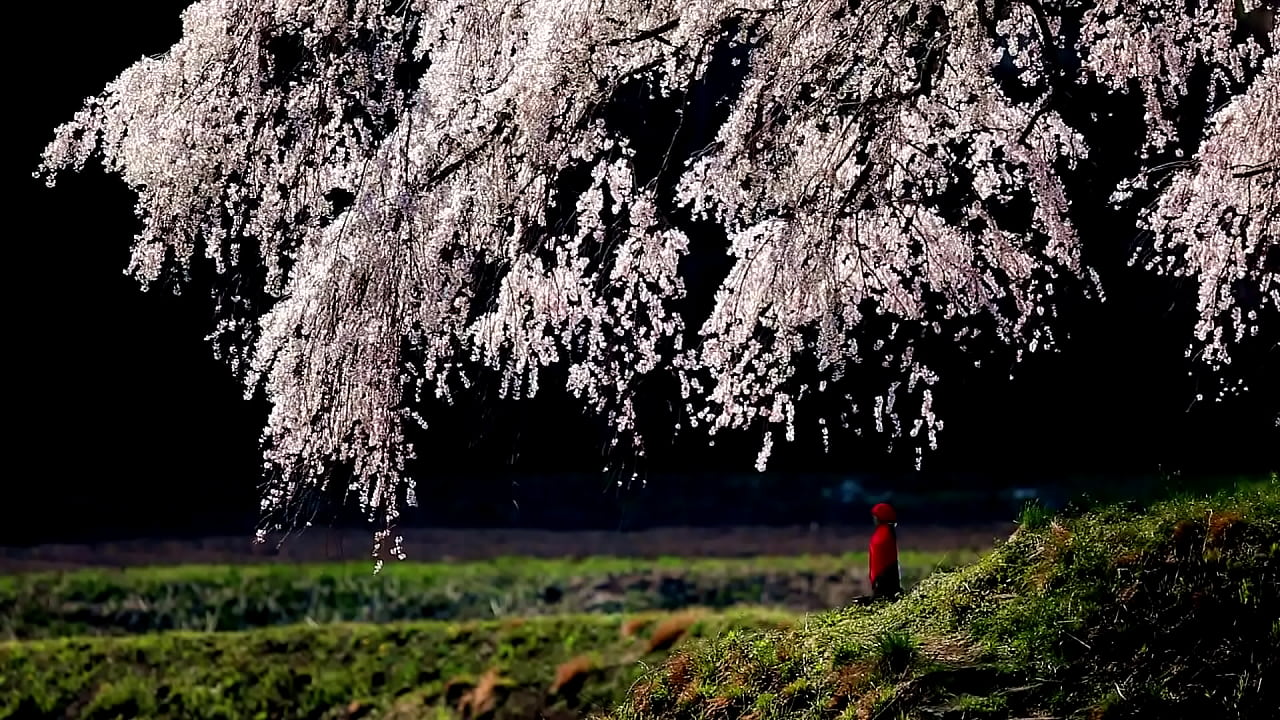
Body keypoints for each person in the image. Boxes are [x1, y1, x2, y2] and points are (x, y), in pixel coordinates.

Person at [869, 502, 902, 600]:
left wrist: (876, 580)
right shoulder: (886, 532)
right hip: (886, 576)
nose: (874, 519)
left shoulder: (883, 534)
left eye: (875, 516)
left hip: (884, 578)